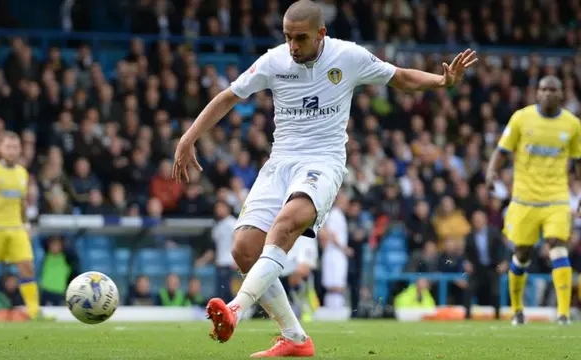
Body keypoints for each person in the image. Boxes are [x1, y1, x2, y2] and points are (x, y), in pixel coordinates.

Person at [173, 0, 477, 356]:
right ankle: (296, 339)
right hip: (279, 164)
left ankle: (236, 309)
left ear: (321, 34)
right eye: (287, 37)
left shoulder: (348, 57)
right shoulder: (275, 61)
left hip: (323, 162)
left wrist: (442, 81)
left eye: (300, 38)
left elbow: (401, 77)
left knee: (286, 225)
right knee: (243, 251)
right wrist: (188, 137)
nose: (292, 46)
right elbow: (228, 97)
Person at [486, 75, 580, 326]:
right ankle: (517, 311)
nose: (548, 93)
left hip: (556, 198)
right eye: (543, 89)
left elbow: (579, 162)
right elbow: (502, 150)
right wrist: (491, 171)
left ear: (561, 94)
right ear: (536, 93)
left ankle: (563, 314)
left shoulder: (572, 124)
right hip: (524, 199)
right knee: (522, 253)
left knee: (557, 245)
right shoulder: (521, 118)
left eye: (553, 89)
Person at [0, 132, 52, 321]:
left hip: (16, 229)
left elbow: (21, 202)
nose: (12, 150)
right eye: (8, 146)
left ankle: (33, 312)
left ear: (20, 149)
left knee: (27, 267)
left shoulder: (22, 173)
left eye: (15, 147)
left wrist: (26, 223)